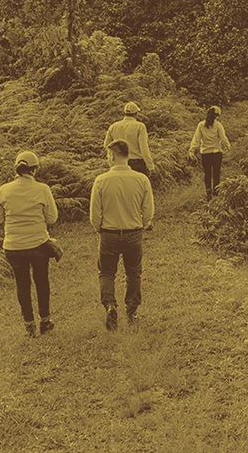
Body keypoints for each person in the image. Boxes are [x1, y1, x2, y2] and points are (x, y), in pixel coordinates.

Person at [0, 150, 59, 337]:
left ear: (17, 168)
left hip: (13, 246)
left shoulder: (4, 190)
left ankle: (29, 326)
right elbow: (52, 218)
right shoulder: (42, 189)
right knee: (41, 281)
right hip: (38, 244)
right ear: (35, 169)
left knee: (22, 284)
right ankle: (45, 321)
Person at [89, 138, 154, 330]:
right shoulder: (141, 179)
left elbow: (94, 214)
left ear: (112, 155)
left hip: (108, 234)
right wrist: (142, 225)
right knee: (134, 273)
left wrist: (99, 228)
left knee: (106, 272)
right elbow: (148, 210)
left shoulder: (101, 180)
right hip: (133, 233)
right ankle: (131, 311)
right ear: (128, 155)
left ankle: (110, 305)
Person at [189, 105, 231, 199]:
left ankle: (208, 193)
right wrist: (227, 146)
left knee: (207, 173)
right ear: (217, 116)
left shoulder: (201, 125)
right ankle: (216, 194)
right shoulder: (218, 125)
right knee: (216, 174)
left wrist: (192, 151)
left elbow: (196, 139)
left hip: (205, 153)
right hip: (216, 153)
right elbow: (223, 138)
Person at [104, 101, 155, 178]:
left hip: (119, 162)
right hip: (137, 163)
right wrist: (150, 166)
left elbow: (107, 146)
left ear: (124, 113)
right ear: (136, 114)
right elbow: (144, 148)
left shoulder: (113, 126)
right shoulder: (140, 126)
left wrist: (112, 162)